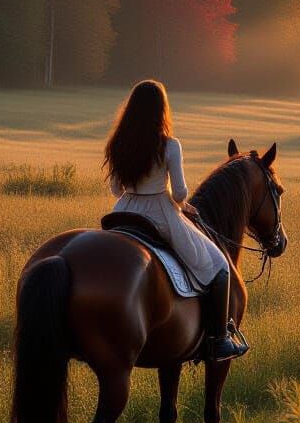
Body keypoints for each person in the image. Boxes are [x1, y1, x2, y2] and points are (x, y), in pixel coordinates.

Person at [103, 79, 248, 362]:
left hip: (123, 211)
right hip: (161, 214)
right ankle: (219, 340)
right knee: (219, 267)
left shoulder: (119, 142)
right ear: (161, 110)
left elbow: (116, 190)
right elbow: (180, 193)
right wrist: (179, 202)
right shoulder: (170, 146)